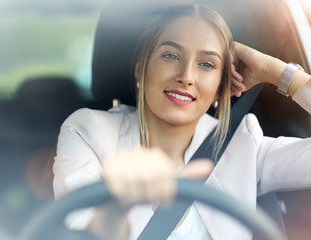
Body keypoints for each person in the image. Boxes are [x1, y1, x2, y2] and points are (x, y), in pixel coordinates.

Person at [53, 3, 311, 240]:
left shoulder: (244, 146)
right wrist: (114, 211)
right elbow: (81, 232)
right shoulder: (88, 132)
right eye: (171, 56)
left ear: (221, 87)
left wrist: (277, 72)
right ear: (141, 67)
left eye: (207, 64)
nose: (186, 77)